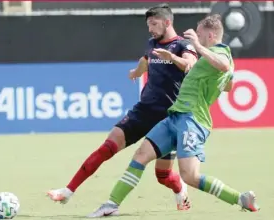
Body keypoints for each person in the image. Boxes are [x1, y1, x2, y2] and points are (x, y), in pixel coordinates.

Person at [87, 14, 260, 218]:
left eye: (199, 34)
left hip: (193, 121)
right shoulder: (211, 58)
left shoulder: (220, 51)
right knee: (141, 156)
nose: (195, 37)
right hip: (175, 115)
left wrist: (198, 46)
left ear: (211, 35)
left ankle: (240, 198)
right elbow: (228, 84)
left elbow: (223, 66)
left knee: (190, 176)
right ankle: (111, 204)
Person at [47, 3, 197, 210]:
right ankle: (67, 191)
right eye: (148, 25)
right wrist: (137, 71)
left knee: (162, 176)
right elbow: (146, 59)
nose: (150, 29)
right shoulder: (151, 43)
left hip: (168, 119)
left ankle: (179, 188)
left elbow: (189, 64)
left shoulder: (183, 45)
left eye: (154, 24)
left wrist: (172, 58)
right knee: (107, 147)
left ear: (167, 22)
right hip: (143, 111)